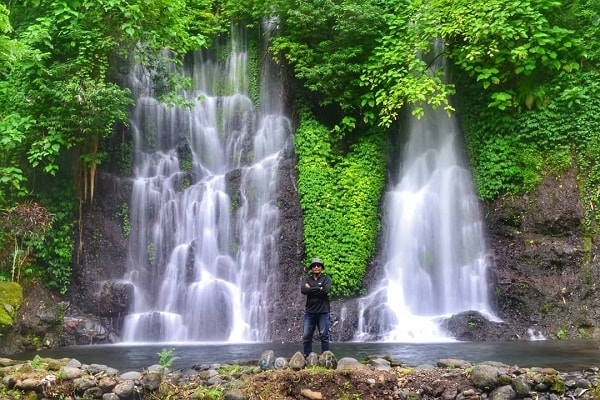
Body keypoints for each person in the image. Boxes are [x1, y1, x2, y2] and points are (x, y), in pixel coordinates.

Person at [300, 257, 332, 357]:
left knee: (324, 335)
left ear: (321, 267)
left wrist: (312, 288)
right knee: (306, 335)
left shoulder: (326, 279)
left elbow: (325, 291)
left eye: (318, 265)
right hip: (310, 312)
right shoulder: (307, 279)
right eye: (314, 265)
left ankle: (325, 358)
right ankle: (307, 357)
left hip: (323, 312)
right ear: (311, 268)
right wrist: (318, 288)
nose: (316, 267)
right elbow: (303, 290)